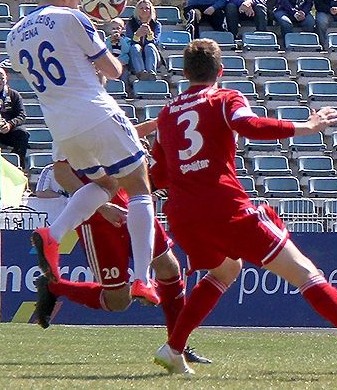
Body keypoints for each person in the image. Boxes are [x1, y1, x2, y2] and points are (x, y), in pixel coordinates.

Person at [150, 39, 337, 375]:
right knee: (305, 274)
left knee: (226, 270)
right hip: (225, 208)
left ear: (184, 73)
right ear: (221, 71)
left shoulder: (166, 114)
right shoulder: (225, 98)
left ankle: (174, 347)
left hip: (183, 215)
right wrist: (308, 126)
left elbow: (156, 174)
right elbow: (249, 125)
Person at [6, 0, 158, 305]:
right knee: (139, 187)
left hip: (61, 128)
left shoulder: (13, 36)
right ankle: (144, 279)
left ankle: (53, 233)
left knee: (105, 186)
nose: (83, 2)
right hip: (96, 112)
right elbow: (114, 70)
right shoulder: (71, 17)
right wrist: (111, 47)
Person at [33, 126, 212, 365]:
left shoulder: (103, 109)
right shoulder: (70, 114)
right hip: (98, 218)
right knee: (118, 300)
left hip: (133, 203)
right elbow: (61, 172)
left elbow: (119, 133)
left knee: (169, 267)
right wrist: (101, 207)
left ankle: (177, 345)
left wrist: (156, 123)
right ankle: (55, 287)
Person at [125, 0, 162, 81]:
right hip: (135, 57)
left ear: (151, 10)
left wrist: (149, 34)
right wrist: (137, 35)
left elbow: (156, 42)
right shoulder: (130, 23)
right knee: (135, 47)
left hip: (153, 56)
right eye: (141, 8)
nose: (144, 10)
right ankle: (140, 73)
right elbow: (128, 42)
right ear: (137, 10)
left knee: (149, 46)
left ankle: (151, 72)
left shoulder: (156, 24)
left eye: (147, 8)